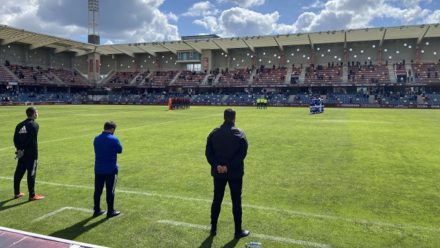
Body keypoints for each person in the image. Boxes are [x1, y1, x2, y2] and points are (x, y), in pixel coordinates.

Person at [205, 108, 250, 239]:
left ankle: (213, 228)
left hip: (218, 172)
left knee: (217, 200)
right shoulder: (240, 134)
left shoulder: (214, 133)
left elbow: (208, 153)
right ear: (234, 118)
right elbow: (242, 154)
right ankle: (237, 231)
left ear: (224, 117)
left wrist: (217, 165)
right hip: (235, 173)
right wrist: (228, 166)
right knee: (236, 201)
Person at [13, 106, 45, 201]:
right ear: (33, 114)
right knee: (31, 174)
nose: (37, 113)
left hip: (21, 153)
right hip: (31, 154)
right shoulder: (34, 125)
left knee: (18, 172)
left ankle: (17, 192)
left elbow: (15, 139)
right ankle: (32, 195)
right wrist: (24, 149)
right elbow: (31, 141)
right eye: (37, 112)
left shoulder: (19, 125)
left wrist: (19, 150)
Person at [93, 121, 123, 218]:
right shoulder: (114, 139)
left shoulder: (96, 138)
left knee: (97, 190)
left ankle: (96, 210)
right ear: (112, 129)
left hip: (98, 169)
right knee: (110, 191)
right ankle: (110, 211)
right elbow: (120, 150)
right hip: (111, 170)